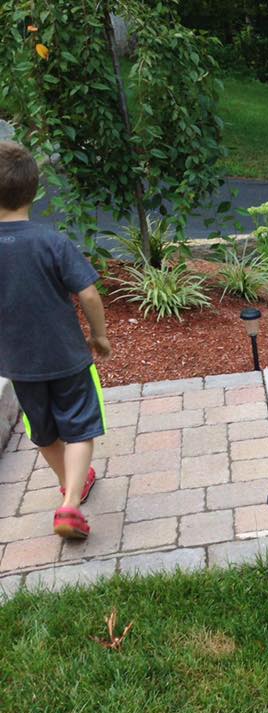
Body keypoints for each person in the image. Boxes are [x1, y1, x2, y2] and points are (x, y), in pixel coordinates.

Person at [0, 140, 111, 540]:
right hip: (66, 357)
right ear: (33, 190)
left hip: (18, 364)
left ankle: (69, 484)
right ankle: (70, 505)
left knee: (44, 432)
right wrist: (99, 335)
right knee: (80, 428)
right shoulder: (52, 242)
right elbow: (89, 294)